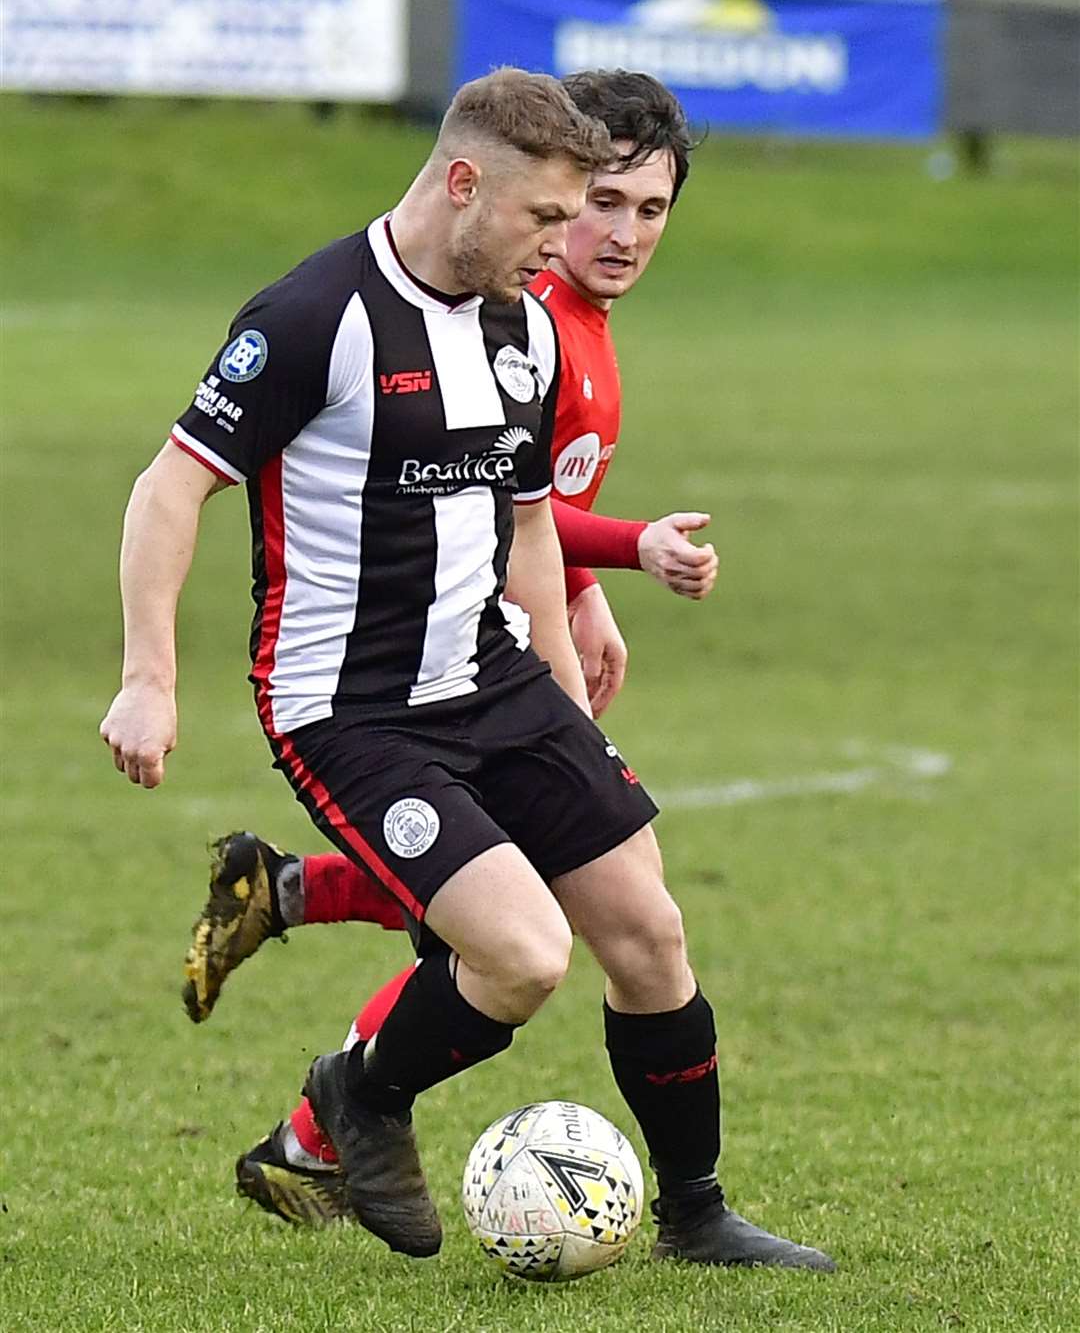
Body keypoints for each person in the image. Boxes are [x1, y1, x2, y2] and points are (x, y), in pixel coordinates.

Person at [102, 67, 834, 1271]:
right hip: (352, 707)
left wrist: (559, 694)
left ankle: (695, 1215)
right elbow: (170, 484)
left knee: (646, 932)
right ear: (461, 184)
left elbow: (532, 524)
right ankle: (359, 1096)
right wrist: (148, 676)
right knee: (524, 954)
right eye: (548, 216)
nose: (566, 243)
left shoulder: (525, 324)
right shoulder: (311, 318)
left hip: (492, 677)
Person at [183, 69, 719, 1020]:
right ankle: (325, 1119)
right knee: (509, 917)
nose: (619, 234)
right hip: (405, 671)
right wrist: (630, 551)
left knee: (546, 902)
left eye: (652, 208)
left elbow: (525, 509)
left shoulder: (566, 330)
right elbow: (483, 502)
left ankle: (288, 897)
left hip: (498, 655)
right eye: (597, 204)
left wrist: (584, 600)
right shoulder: (503, 310)